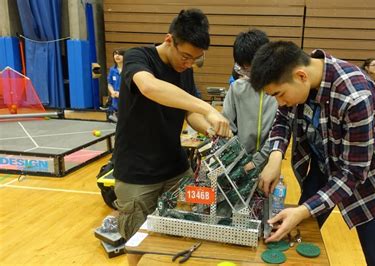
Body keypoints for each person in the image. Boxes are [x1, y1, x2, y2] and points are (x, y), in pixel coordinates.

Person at [250, 41, 375, 266]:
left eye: (280, 94)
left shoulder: (356, 97)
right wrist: (275, 156)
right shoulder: (300, 78)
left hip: (362, 183)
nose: (280, 102)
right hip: (323, 168)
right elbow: (282, 118)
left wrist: (304, 210)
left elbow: (354, 173)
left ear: (301, 76)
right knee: (299, 233)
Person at [112, 9, 231, 264]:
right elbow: (150, 87)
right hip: (137, 173)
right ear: (169, 40)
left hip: (176, 169)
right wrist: (208, 108)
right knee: (137, 243)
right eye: (186, 56)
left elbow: (188, 111)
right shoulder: (138, 57)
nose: (188, 64)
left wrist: (208, 127)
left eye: (195, 59)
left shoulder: (184, 70)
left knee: (184, 227)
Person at [222, 29, 277, 171]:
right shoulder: (236, 88)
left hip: (269, 164)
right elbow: (227, 128)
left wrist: (256, 162)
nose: (249, 73)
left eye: (252, 68)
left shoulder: (279, 91)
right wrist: (239, 160)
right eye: (245, 68)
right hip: (239, 164)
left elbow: (278, 132)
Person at [106, 49, 125, 121]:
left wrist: (121, 94)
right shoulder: (112, 70)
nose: (117, 56)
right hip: (115, 98)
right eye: (115, 54)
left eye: (119, 54)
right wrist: (112, 92)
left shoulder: (129, 69)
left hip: (125, 97)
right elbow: (110, 83)